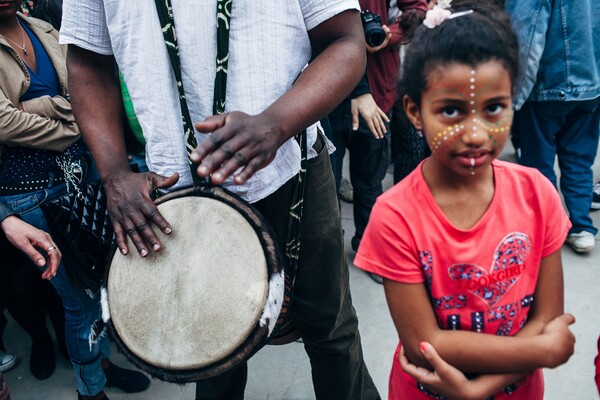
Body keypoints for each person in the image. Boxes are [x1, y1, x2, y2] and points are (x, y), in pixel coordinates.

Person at [61, 1, 380, 399]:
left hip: (290, 168)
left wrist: (276, 124)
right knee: (208, 348)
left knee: (330, 330)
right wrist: (113, 174)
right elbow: (87, 60)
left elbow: (346, 42)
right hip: (174, 185)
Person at [354, 1, 576, 398]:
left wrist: (479, 390)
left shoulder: (538, 195)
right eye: (452, 110)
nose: (475, 134)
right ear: (415, 111)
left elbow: (547, 315)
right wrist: (540, 350)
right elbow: (424, 343)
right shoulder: (395, 216)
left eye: (494, 108)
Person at [0, 4, 150, 399]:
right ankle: (91, 389)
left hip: (81, 180)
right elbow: (3, 122)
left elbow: (87, 90)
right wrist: (75, 121)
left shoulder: (41, 27)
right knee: (79, 301)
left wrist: (43, 107)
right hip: (29, 195)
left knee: (104, 283)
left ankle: (100, 364)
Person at [504, 0, 600, 254]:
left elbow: (526, 33)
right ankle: (581, 226)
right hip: (591, 86)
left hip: (548, 85)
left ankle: (549, 227)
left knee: (539, 163)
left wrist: (515, 96)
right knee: (579, 160)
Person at [1, 199, 61, 400]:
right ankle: (40, 339)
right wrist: (3, 215)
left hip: (41, 184)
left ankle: (64, 337)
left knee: (56, 272)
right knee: (16, 280)